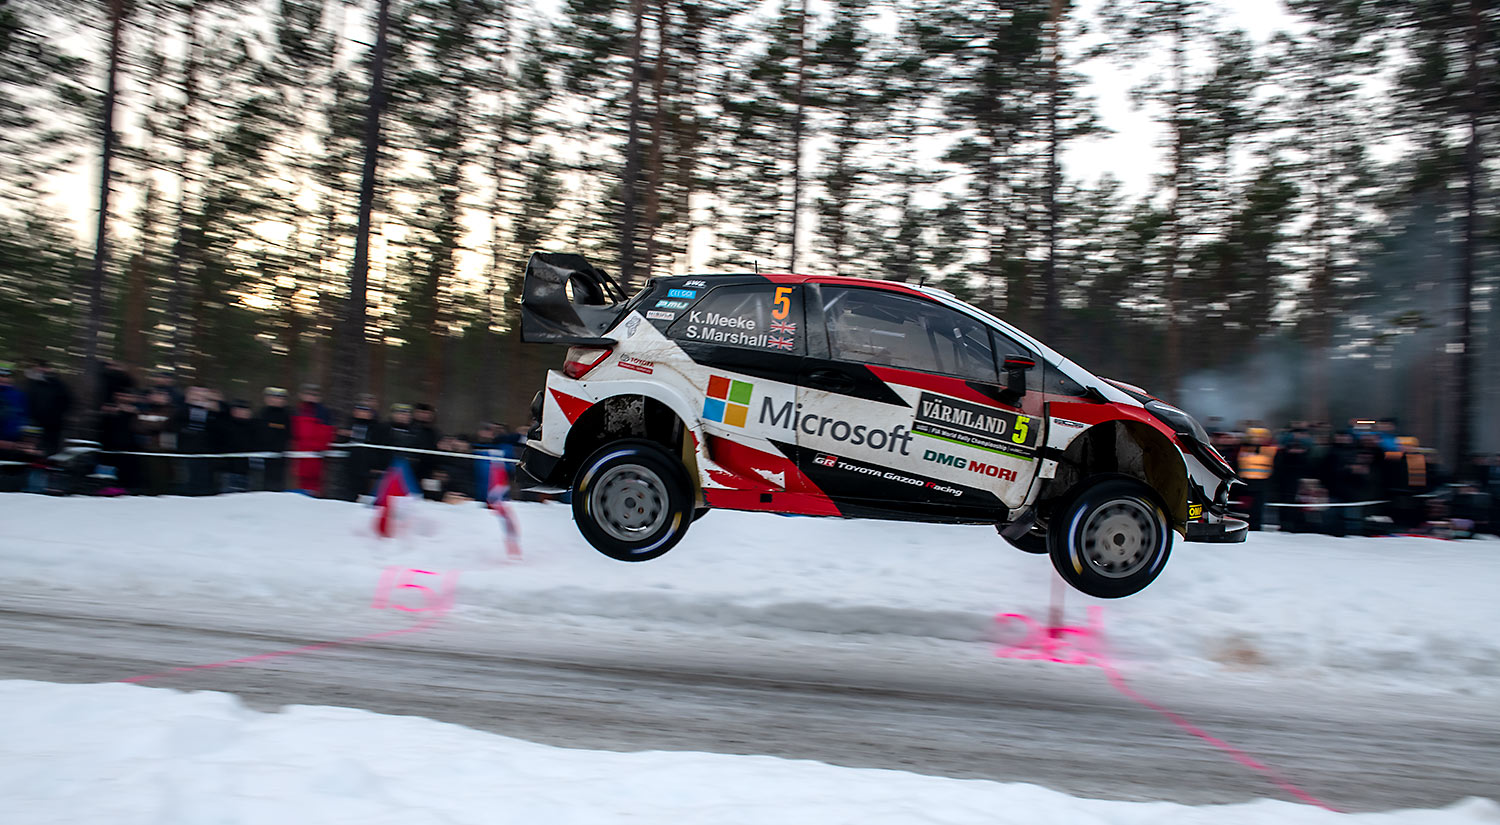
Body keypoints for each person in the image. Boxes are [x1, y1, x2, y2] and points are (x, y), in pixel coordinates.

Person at [173, 385, 223, 495]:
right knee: (187, 481)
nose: (198, 396)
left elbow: (220, 429)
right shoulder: (181, 409)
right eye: (195, 393)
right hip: (187, 451)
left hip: (207, 452)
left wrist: (216, 410)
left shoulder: (213, 411)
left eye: (202, 393)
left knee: (205, 481)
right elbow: (174, 426)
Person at [289, 383, 334, 495]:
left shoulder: (324, 413)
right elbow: (293, 432)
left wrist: (318, 448)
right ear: (301, 395)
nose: (311, 397)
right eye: (308, 394)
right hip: (300, 455)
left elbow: (327, 435)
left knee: (314, 486)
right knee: (299, 484)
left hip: (315, 456)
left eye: (314, 394)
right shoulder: (297, 410)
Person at [337, 394, 382, 500]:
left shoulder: (376, 426)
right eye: (360, 410)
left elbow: (378, 445)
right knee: (348, 490)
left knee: (364, 491)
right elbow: (340, 440)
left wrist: (376, 465)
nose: (362, 413)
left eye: (366, 411)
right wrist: (343, 435)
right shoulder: (349, 423)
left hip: (367, 463)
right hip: (350, 463)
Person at [23, 360, 72, 457]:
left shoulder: (58, 384)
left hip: (53, 425)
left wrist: (57, 415)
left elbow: (67, 401)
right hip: (34, 423)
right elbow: (27, 400)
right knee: (33, 451)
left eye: (43, 368)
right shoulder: (32, 383)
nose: (41, 370)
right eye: (38, 368)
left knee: (50, 451)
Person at [1237, 427, 1277, 531]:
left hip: (1261, 484)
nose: (1256, 439)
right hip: (1244, 484)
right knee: (1242, 509)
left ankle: (1255, 528)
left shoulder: (1270, 449)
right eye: (1254, 437)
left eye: (1259, 437)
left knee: (1257, 510)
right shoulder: (1242, 448)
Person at [257, 387, 291, 491]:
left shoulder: (287, 415)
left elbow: (289, 434)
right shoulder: (261, 414)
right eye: (272, 397)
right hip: (262, 457)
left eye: (279, 398)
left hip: (280, 457)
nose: (276, 400)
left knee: (278, 486)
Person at [220, 400, 258, 492]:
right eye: (239, 409)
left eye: (245, 410)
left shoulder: (254, 426)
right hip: (229, 469)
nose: (242, 412)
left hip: (248, 470)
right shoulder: (226, 425)